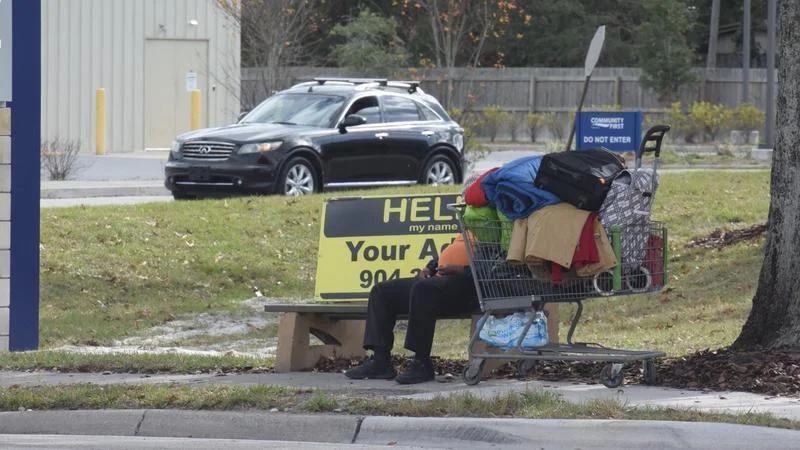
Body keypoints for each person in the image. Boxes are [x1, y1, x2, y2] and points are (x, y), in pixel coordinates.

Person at [344, 225, 480, 385]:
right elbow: (445, 255)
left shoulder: (494, 232)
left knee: (423, 289)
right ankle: (380, 361)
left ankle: (421, 363)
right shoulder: (468, 230)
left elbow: (493, 267)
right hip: (440, 280)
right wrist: (430, 267)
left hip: (470, 287)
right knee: (381, 292)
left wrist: (462, 270)